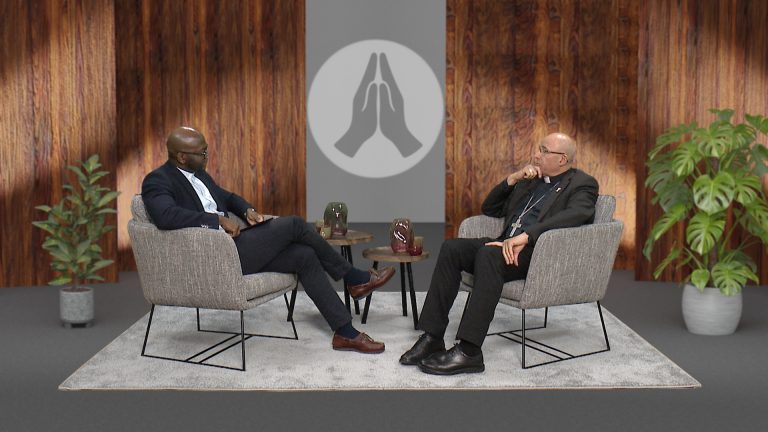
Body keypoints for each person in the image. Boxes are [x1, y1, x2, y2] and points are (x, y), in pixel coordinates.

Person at [142, 127, 396, 353]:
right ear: (182, 157)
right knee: (295, 224)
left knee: (304, 256)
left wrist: (246, 210)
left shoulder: (199, 174)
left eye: (206, 150)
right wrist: (216, 220)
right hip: (217, 255)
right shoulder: (158, 180)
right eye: (202, 153)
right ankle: (354, 278)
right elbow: (166, 216)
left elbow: (226, 197)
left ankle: (345, 333)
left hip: (235, 245)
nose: (207, 156)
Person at [400, 132, 599, 374]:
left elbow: (578, 214)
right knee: (452, 248)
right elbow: (490, 208)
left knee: (488, 255)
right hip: (502, 245)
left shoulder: (582, 183)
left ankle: (469, 351)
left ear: (562, 159)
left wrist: (527, 236)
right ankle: (432, 337)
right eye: (538, 148)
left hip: (536, 254)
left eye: (544, 151)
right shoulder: (531, 180)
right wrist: (513, 179)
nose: (536, 155)